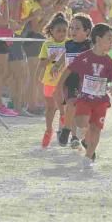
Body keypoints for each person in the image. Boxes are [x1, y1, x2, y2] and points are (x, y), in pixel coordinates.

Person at [54, 22, 112, 165]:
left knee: (96, 129)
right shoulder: (84, 57)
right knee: (81, 122)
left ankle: (89, 157)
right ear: (98, 39)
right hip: (84, 99)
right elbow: (69, 69)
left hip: (101, 101)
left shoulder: (109, 62)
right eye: (109, 38)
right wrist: (59, 85)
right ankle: (83, 138)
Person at [58, 13, 94, 148]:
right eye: (71, 28)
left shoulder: (91, 45)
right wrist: (57, 65)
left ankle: (86, 138)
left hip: (86, 81)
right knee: (71, 105)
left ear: (87, 32)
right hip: (71, 79)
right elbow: (65, 56)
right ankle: (68, 132)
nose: (72, 31)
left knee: (86, 115)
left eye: (77, 28)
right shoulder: (68, 44)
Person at [39, 13, 69, 148]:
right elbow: (42, 64)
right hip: (49, 80)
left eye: (64, 30)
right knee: (50, 108)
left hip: (65, 81)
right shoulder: (47, 44)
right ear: (51, 31)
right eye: (59, 30)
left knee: (64, 108)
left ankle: (62, 130)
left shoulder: (69, 44)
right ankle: (48, 130)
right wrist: (50, 59)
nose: (62, 33)